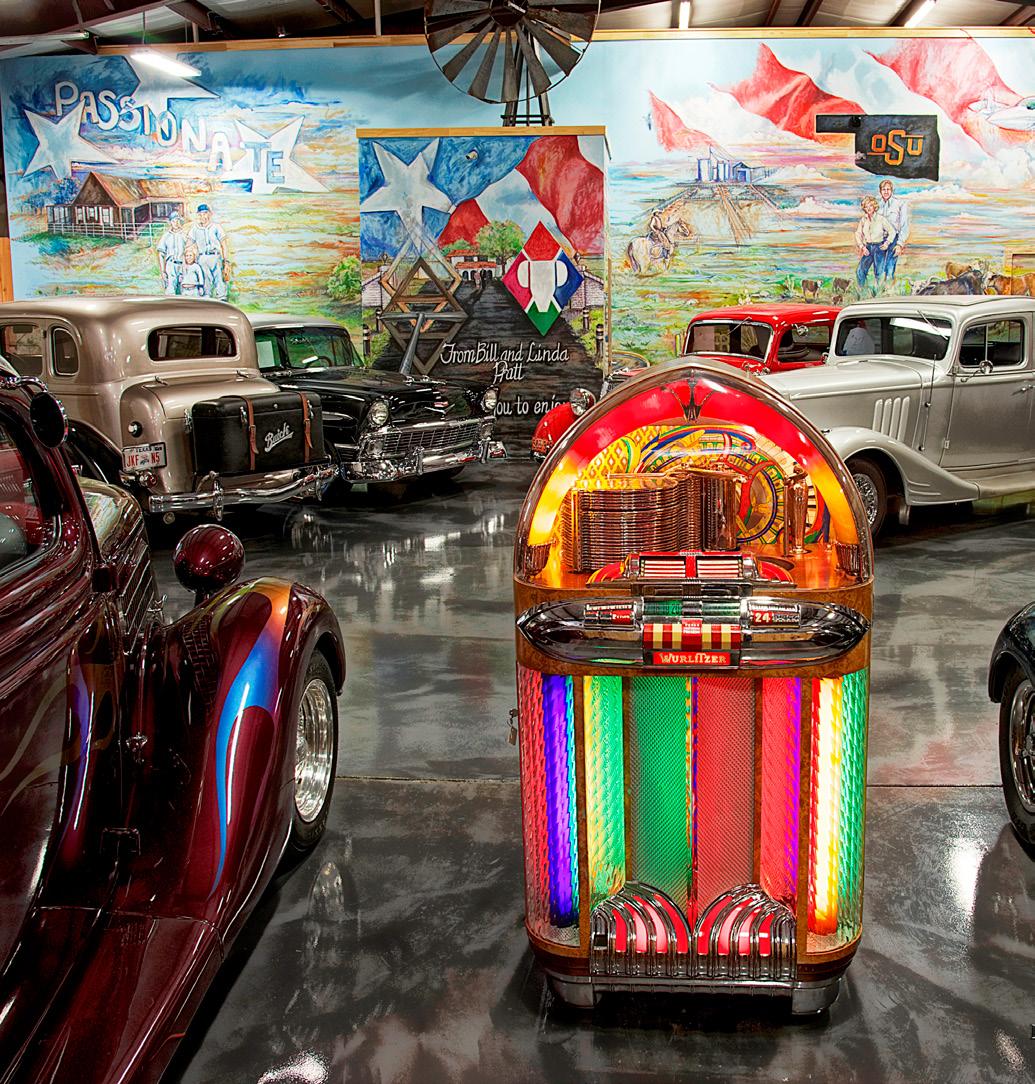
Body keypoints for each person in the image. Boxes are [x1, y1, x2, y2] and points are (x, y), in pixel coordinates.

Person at [854, 196, 893, 295]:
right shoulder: (863, 220)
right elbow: (858, 233)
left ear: (874, 206)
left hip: (879, 248)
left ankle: (878, 294)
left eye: (870, 206)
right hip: (868, 248)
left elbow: (892, 231)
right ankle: (862, 292)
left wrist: (887, 243)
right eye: (866, 206)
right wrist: (862, 247)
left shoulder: (881, 219)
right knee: (860, 271)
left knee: (879, 273)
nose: (868, 208)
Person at [189, 203, 229, 299]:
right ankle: (208, 299)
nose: (203, 216)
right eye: (200, 214)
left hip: (215, 256)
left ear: (210, 214)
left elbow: (224, 245)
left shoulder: (216, 227)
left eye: (205, 213)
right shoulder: (194, 229)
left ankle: (222, 298)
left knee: (219, 278)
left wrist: (226, 261)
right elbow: (188, 244)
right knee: (206, 281)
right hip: (202, 257)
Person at [877, 179, 909, 287]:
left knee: (890, 268)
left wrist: (900, 244)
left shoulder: (900, 204)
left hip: (894, 238)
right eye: (883, 189)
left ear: (892, 190)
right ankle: (879, 291)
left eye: (888, 189)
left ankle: (889, 291)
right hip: (879, 239)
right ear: (880, 191)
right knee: (879, 269)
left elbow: (904, 225)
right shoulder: (876, 205)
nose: (886, 192)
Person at [155, 212, 186, 295]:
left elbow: (189, 251)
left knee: (183, 289)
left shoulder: (184, 235)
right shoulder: (166, 236)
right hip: (170, 265)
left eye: (177, 221)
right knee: (170, 289)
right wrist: (163, 271)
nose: (176, 223)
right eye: (173, 221)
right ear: (170, 222)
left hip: (182, 265)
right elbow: (161, 254)